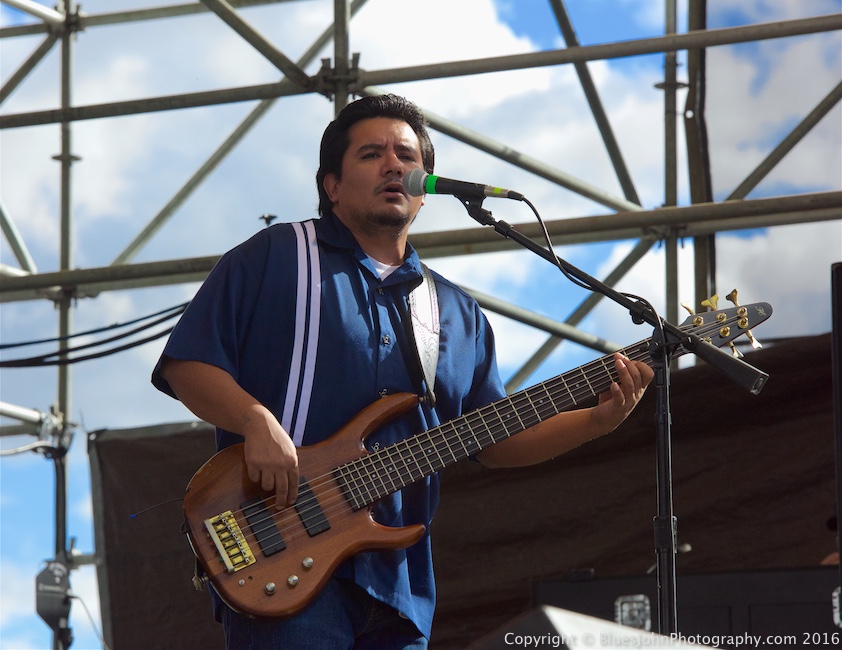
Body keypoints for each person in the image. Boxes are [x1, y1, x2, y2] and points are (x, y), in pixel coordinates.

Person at [152, 93, 653, 649]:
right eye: (371, 154)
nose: (394, 165)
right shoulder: (276, 256)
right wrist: (254, 422)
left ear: (424, 192)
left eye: (407, 157)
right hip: (282, 554)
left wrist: (595, 423)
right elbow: (187, 363)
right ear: (331, 185)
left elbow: (491, 438)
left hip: (401, 588)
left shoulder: (456, 313)